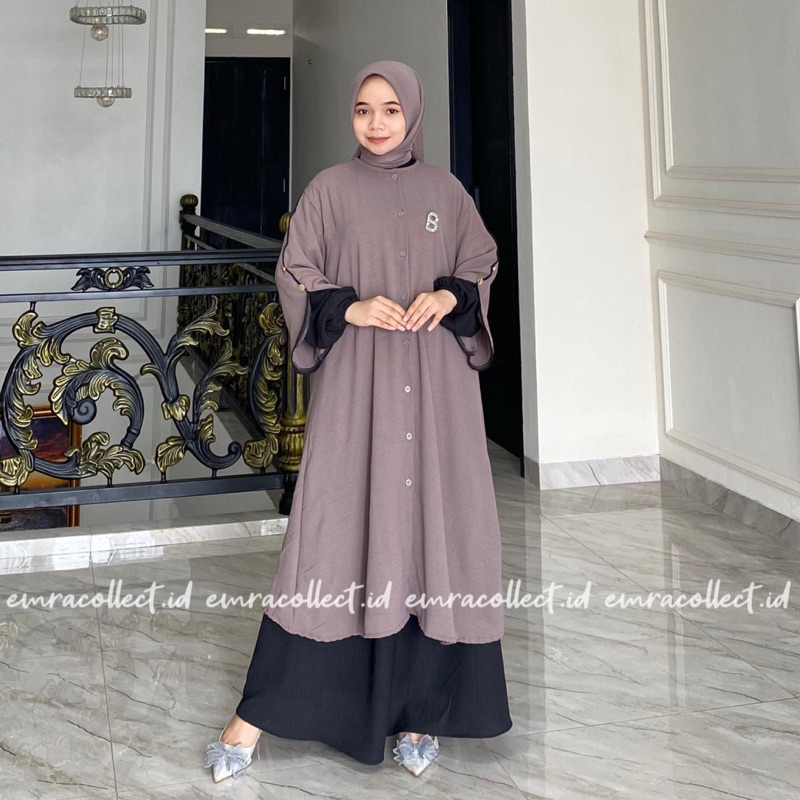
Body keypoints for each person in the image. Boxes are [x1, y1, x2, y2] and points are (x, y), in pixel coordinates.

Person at [205, 60, 511, 782]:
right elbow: (295, 270)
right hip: (359, 391)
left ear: (413, 114)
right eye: (364, 109)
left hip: (435, 394)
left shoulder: (446, 193)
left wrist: (449, 296)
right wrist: (351, 306)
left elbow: (482, 259)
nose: (376, 123)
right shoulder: (329, 190)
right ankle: (251, 720)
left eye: (391, 110)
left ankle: (418, 714)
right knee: (332, 534)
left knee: (431, 535)